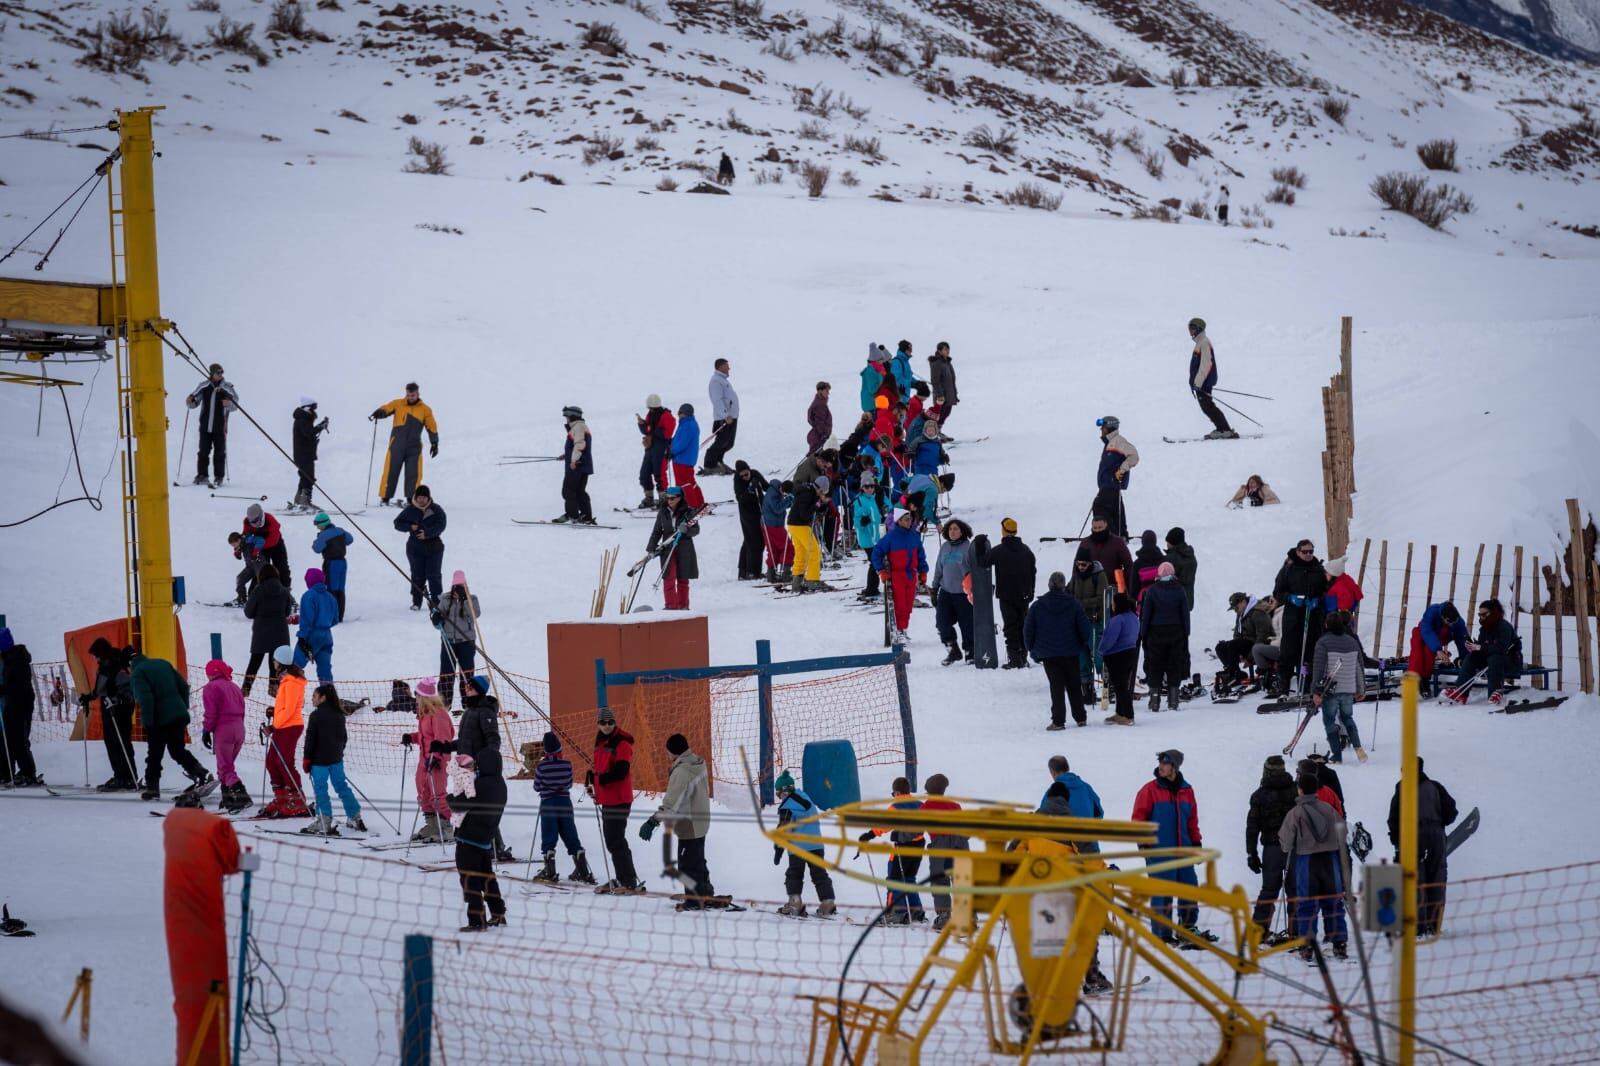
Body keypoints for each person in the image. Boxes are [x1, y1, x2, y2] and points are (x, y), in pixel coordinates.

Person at [434, 675, 507, 930]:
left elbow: (492, 741)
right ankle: (498, 911)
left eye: (470, 686)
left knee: (470, 854)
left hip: (475, 770)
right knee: (481, 858)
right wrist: (444, 747)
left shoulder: (485, 712)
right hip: (469, 767)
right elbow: (465, 743)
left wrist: (482, 766)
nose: (466, 687)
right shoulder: (469, 712)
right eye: (466, 685)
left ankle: (476, 918)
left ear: (479, 690)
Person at [1131, 750, 1208, 944]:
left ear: (1174, 766)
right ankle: (1162, 934)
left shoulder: (1187, 790)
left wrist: (1196, 842)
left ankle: (1187, 928)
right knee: (1162, 893)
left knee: (1189, 889)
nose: (1161, 767)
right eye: (1160, 763)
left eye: (1165, 763)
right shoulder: (1149, 790)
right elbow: (1138, 820)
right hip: (1159, 852)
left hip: (1184, 851)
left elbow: (1192, 821)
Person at [128, 649, 214, 803]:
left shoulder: (138, 673)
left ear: (129, 664)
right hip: (178, 715)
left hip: (159, 719)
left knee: (154, 754)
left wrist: (147, 723)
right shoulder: (163, 663)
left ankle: (152, 788)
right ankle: (202, 774)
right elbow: (184, 687)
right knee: (177, 750)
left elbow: (145, 699)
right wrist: (182, 706)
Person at [642, 733, 716, 909]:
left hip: (688, 823)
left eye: (668, 752)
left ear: (673, 752)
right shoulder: (698, 762)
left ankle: (693, 899)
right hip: (702, 820)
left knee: (687, 864)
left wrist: (653, 821)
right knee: (698, 859)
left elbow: (671, 804)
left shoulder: (682, 772)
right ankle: (705, 891)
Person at [1280, 771, 1348, 960]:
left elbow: (1285, 841)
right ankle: (1339, 943)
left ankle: (1307, 945)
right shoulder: (1328, 809)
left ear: (1300, 790)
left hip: (1307, 861)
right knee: (1333, 902)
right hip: (1329, 860)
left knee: (1307, 904)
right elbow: (1343, 832)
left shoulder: (1296, 813)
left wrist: (1290, 846)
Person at [1387, 757, 1458, 937]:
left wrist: (1397, 843)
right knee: (1437, 878)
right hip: (1435, 836)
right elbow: (1452, 811)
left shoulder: (1402, 787)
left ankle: (1418, 925)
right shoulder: (1435, 786)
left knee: (1414, 880)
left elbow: (1393, 818)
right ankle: (1435, 925)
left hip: (1412, 836)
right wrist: (1438, 824)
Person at [1023, 572, 1093, 730]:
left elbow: (1028, 630)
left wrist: (1032, 649)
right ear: (1064, 586)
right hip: (1071, 651)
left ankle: (1058, 721)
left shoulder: (1037, 606)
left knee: (1056, 686)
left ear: (1049, 585)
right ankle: (1080, 717)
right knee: (1074, 684)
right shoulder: (1074, 604)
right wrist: (1082, 643)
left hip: (1049, 654)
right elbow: (1084, 627)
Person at [586, 707, 643, 894]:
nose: (607, 726)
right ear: (598, 724)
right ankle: (624, 877)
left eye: (610, 722)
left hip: (619, 798)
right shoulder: (601, 740)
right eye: (603, 723)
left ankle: (628, 880)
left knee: (615, 839)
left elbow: (621, 771)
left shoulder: (622, 743)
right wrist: (591, 776)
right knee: (613, 839)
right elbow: (600, 766)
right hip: (607, 799)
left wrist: (601, 779)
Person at [300, 683, 365, 836]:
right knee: (341, 786)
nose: (312, 699)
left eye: (315, 696)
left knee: (320, 790)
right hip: (336, 760)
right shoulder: (339, 714)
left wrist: (307, 759)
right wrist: (337, 753)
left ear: (323, 698)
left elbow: (310, 740)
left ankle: (324, 820)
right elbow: (344, 738)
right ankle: (355, 816)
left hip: (319, 762)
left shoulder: (315, 716)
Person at [1245, 755, 1298, 939]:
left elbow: (1252, 827)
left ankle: (1258, 931)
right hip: (1295, 848)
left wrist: (1251, 853)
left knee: (1268, 890)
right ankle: (1296, 932)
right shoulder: (1296, 791)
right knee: (1295, 891)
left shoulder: (1260, 795)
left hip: (1272, 848)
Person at [860, 777, 926, 924]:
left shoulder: (896, 807)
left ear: (897, 792)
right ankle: (916, 911)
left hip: (902, 847)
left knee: (894, 879)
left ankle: (896, 912)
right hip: (918, 846)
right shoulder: (920, 805)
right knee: (909, 879)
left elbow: (884, 825)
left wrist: (869, 835)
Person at [532, 730, 595, 883]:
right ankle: (582, 870)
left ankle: (550, 871)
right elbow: (569, 784)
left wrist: (547, 787)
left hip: (548, 803)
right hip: (565, 803)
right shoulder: (567, 765)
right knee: (570, 832)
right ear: (559, 748)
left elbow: (537, 787)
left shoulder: (542, 767)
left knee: (549, 834)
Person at [774, 770, 837, 917]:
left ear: (784, 791)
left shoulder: (788, 806)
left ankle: (794, 902)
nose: (779, 797)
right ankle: (828, 902)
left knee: (794, 874)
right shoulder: (806, 798)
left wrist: (778, 849)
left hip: (798, 847)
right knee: (819, 874)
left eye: (778, 793)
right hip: (816, 845)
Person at [975, 518, 1036, 669]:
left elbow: (982, 562)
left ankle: (1014, 659)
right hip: (1024, 595)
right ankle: (1023, 656)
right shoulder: (1026, 550)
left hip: (1006, 596)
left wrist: (979, 544)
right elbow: (1033, 572)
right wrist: (1031, 591)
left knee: (1010, 627)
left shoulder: (999, 550)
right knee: (1023, 625)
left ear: (1003, 531)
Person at [401, 678, 454, 843]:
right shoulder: (425, 715)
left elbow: (443, 739)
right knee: (423, 793)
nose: (416, 698)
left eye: (417, 695)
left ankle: (450, 827)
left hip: (437, 760)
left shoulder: (439, 715)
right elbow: (426, 737)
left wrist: (437, 757)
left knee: (438, 795)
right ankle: (432, 825)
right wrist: (412, 737)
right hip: (424, 760)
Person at [261, 647, 311, 818]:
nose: (273, 663)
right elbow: (284, 707)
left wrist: (274, 726)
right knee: (272, 762)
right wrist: (274, 712)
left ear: (281, 662)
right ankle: (282, 797)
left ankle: (297, 800)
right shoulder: (286, 681)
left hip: (290, 726)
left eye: (275, 660)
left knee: (284, 762)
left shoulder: (292, 682)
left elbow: (289, 709)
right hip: (283, 725)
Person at [1311, 613, 1368, 763]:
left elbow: (1319, 669)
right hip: (1348, 689)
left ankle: (1337, 756)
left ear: (1326, 625)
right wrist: (1361, 689)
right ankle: (1358, 747)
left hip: (1331, 690)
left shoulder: (1323, 642)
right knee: (1347, 717)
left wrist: (1316, 692)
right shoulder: (1352, 642)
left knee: (1330, 721)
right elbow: (1359, 667)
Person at [1273, 540, 1329, 695]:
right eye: (1305, 552)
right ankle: (1283, 689)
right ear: (1298, 551)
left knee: (1309, 654)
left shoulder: (1318, 569)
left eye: (1311, 551)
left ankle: (1307, 688)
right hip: (1293, 617)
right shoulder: (1288, 569)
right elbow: (1277, 592)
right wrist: (1290, 598)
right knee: (1289, 652)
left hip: (1312, 616)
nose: (1308, 555)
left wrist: (1319, 599)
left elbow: (1326, 589)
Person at [371, 382, 439, 506]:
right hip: (397, 445)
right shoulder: (398, 404)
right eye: (408, 395)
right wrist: (380, 412)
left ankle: (410, 499)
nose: (410, 397)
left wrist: (434, 443)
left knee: (413, 473)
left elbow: (431, 426)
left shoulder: (425, 409)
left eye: (412, 395)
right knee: (390, 471)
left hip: (414, 447)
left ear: (418, 394)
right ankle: (385, 498)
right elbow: (387, 408)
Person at [84, 638, 138, 791]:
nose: (95, 659)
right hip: (110, 707)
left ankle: (127, 777)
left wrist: (115, 700)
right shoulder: (107, 664)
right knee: (112, 742)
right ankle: (120, 775)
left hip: (118, 709)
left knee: (120, 742)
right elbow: (102, 687)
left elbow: (125, 689)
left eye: (96, 655)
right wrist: (90, 696)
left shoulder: (113, 663)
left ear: (101, 653)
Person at [1448, 599, 1522, 704]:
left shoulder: (1504, 627)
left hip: (1510, 660)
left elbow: (1501, 648)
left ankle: (1495, 692)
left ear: (1493, 613)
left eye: (1484, 614)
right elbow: (1482, 647)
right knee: (1471, 657)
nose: (1481, 617)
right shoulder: (1485, 628)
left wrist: (1481, 647)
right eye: (1480, 615)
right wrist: (1474, 648)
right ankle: (1460, 693)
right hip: (1491, 661)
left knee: (1495, 657)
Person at [201, 659, 251, 814]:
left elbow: (211, 713)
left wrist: (206, 730)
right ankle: (228, 798)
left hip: (224, 729)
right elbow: (243, 710)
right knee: (226, 766)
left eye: (208, 673)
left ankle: (242, 796)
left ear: (212, 673)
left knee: (225, 767)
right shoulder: (235, 687)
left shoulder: (210, 688)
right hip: (239, 729)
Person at [1140, 561, 1191, 712]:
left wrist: (1143, 633)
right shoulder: (1179, 590)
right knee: (1174, 664)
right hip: (1176, 632)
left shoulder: (1152, 590)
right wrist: (1186, 632)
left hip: (1155, 632)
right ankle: (1173, 700)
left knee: (1155, 665)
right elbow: (1185, 613)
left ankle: (1154, 700)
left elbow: (1146, 614)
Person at [873, 509, 929, 645]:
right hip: (897, 574)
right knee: (900, 604)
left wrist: (923, 571)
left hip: (911, 574)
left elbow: (920, 555)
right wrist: (881, 570)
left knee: (909, 604)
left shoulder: (914, 536)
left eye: (910, 519)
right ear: (898, 521)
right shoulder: (891, 537)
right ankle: (898, 630)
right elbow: (876, 553)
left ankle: (903, 630)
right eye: (905, 519)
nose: (909, 521)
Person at [921, 773, 967, 931]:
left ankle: (944, 916)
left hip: (941, 848)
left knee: (940, 882)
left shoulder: (926, 807)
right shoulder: (955, 805)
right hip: (960, 846)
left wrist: (900, 835)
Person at [241, 564, 292, 697]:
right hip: (280, 631)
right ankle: (274, 689)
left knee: (255, 661)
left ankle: (246, 689)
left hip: (261, 631)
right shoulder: (284, 591)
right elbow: (287, 612)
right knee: (276, 662)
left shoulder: (258, 590)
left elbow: (248, 612)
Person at [647, 486, 701, 609]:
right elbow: (657, 531)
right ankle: (671, 606)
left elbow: (696, 530)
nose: (669, 501)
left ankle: (683, 606)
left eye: (672, 498)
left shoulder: (689, 512)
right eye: (667, 498)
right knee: (668, 577)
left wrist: (686, 530)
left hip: (684, 548)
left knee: (683, 578)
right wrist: (651, 548)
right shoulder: (663, 512)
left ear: (680, 498)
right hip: (667, 548)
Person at [394, 485, 446, 611]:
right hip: (415, 549)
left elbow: (441, 525)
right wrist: (409, 527)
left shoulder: (436, 509)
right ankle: (416, 602)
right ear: (415, 498)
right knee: (417, 576)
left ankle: (437, 603)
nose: (421, 500)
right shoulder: (410, 510)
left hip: (434, 549)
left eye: (424, 497)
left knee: (434, 576)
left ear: (428, 498)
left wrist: (427, 534)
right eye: (419, 497)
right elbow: (397, 523)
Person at [432, 573, 480, 708]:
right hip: (448, 641)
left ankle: (468, 703)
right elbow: (438, 623)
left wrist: (464, 600)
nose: (457, 590)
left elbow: (474, 615)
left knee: (467, 673)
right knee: (446, 673)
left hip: (466, 641)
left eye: (460, 587)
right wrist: (435, 619)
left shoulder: (472, 600)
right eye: (455, 587)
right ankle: (444, 703)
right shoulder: (445, 599)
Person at [0, 627, 40, 787]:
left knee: (19, 739)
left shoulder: (18, 659)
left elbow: (20, 685)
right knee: (7, 739)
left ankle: (28, 772)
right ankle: (6, 772)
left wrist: (3, 689)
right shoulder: (8, 659)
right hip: (11, 702)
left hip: (21, 703)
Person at [932, 518, 976, 665]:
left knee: (967, 625)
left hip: (964, 594)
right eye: (950, 529)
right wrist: (934, 588)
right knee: (941, 622)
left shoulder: (968, 548)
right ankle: (953, 649)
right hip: (946, 591)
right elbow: (939, 568)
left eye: (956, 529)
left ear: (962, 531)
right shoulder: (944, 547)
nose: (952, 532)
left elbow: (975, 571)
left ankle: (971, 652)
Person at [186, 362, 236, 486]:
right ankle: (202, 475)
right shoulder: (204, 386)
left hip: (220, 426)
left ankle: (219, 477)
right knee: (203, 451)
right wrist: (190, 401)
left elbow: (235, 404)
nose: (221, 374)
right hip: (205, 426)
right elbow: (194, 402)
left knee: (220, 452)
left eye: (222, 372)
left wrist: (229, 404)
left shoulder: (227, 387)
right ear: (212, 373)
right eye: (218, 372)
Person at [1187, 318, 1237, 439]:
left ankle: (1225, 430)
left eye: (1192, 328)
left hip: (1204, 382)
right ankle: (1222, 429)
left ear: (1199, 328)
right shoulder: (1200, 342)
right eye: (1189, 329)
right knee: (1207, 406)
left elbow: (1206, 364)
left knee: (1208, 406)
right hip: (1202, 382)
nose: (1190, 331)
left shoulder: (1204, 342)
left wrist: (1198, 382)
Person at [1042, 755, 1105, 850]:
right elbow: (1099, 813)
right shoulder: (1086, 788)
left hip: (1064, 850)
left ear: (1052, 772)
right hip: (1089, 847)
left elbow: (1042, 819)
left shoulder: (1052, 792)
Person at [1068, 547, 1108, 696]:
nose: (1081, 567)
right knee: (1082, 659)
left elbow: (1101, 597)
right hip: (1078, 623)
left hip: (1094, 621)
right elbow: (1069, 591)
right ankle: (1087, 690)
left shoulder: (1099, 575)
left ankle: (1108, 685)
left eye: (1084, 565)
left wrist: (1081, 603)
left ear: (1090, 563)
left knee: (1099, 658)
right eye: (1078, 564)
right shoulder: (1076, 575)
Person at [1407, 601, 1468, 695]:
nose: (1451, 624)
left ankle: (1425, 680)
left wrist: (1465, 658)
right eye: (1448, 622)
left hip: (1439, 636)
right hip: (1422, 632)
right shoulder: (1432, 611)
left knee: (1428, 651)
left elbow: (1461, 640)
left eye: (1453, 622)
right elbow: (1427, 631)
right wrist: (1438, 649)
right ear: (1443, 617)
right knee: (1417, 653)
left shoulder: (1458, 622)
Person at [1094, 416, 1139, 538]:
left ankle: (1108, 536)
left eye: (1102, 427)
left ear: (1109, 427)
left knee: (1099, 507)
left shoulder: (1118, 441)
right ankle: (1120, 534)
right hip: (1108, 486)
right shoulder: (1110, 443)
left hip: (1111, 484)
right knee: (1115, 509)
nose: (1101, 430)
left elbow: (1134, 456)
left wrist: (1122, 469)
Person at [1100, 593, 1140, 725]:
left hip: (1117, 655)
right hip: (1130, 652)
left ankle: (1128, 715)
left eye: (1113, 602)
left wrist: (1101, 650)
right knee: (1122, 685)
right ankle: (1120, 712)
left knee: (1121, 687)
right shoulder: (1133, 617)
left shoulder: (1118, 620)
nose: (1112, 605)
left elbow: (1109, 639)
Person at [294, 567, 339, 683]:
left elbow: (307, 620)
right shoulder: (331, 598)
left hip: (311, 636)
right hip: (327, 636)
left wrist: (302, 637)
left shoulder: (309, 596)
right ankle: (328, 695)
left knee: (295, 667)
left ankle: (292, 693)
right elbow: (335, 619)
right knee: (325, 671)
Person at [307, 513, 355, 622]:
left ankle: (332, 616)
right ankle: (340, 616)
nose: (317, 527)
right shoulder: (340, 531)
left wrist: (318, 538)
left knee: (331, 589)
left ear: (323, 524)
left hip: (331, 563)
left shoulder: (324, 535)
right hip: (343, 562)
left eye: (317, 524)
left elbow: (316, 548)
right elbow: (350, 539)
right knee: (340, 589)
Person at [785, 475, 827, 593]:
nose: (822, 494)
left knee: (802, 552)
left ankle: (797, 581)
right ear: (819, 488)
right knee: (814, 551)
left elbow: (807, 510)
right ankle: (812, 580)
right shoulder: (807, 494)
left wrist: (818, 507)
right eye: (822, 491)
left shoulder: (808, 492)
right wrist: (816, 506)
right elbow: (804, 514)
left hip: (794, 524)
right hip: (800, 525)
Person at [556, 405, 595, 524]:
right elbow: (578, 445)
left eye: (567, 417)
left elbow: (580, 444)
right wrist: (567, 455)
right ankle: (585, 516)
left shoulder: (577, 427)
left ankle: (573, 515)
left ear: (572, 417)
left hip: (577, 466)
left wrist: (573, 460)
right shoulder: (580, 427)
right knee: (579, 491)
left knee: (568, 491)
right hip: (583, 465)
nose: (566, 420)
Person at [636, 394, 675, 509]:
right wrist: (642, 424)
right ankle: (649, 498)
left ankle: (663, 499)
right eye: (649, 408)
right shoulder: (651, 415)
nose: (650, 410)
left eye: (651, 408)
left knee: (660, 473)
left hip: (661, 447)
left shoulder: (667, 416)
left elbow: (667, 433)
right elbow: (647, 430)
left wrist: (652, 431)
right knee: (644, 474)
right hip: (651, 448)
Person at [732, 461, 769, 581]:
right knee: (756, 541)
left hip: (759, 510)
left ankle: (744, 571)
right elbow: (740, 498)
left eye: (746, 474)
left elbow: (766, 486)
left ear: (749, 469)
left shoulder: (755, 474)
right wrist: (749, 489)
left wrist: (777, 487)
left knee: (749, 540)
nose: (744, 477)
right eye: (742, 475)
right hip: (748, 514)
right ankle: (753, 572)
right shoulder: (737, 480)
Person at [290, 397, 328, 509]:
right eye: (313, 408)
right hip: (304, 455)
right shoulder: (303, 419)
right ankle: (304, 501)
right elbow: (308, 433)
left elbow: (308, 435)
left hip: (304, 454)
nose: (315, 411)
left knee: (304, 476)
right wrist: (321, 426)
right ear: (308, 408)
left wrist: (320, 426)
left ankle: (299, 500)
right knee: (308, 476)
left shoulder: (303, 418)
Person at [852, 469, 885, 599]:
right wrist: (862, 522)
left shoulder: (874, 499)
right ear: (862, 488)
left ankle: (873, 588)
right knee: (874, 561)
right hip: (867, 538)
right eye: (866, 487)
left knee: (876, 561)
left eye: (871, 486)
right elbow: (856, 520)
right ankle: (871, 588)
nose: (870, 489)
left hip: (876, 536)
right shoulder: (859, 501)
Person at [243, 503, 291, 593]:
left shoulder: (270, 520)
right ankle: (254, 594)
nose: (254, 524)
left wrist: (258, 545)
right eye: (251, 522)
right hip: (260, 546)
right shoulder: (247, 522)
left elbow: (273, 540)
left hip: (276, 545)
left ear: (261, 516)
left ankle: (286, 594)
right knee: (260, 569)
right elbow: (246, 536)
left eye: (255, 521)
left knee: (282, 567)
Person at [701, 359, 739, 475]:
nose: (729, 368)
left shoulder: (723, 380)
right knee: (721, 441)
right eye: (726, 366)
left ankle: (718, 462)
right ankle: (710, 464)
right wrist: (725, 415)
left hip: (731, 417)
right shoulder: (716, 381)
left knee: (729, 443)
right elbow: (717, 400)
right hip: (724, 418)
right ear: (720, 367)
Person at [1084, 514, 1133, 596]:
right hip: (1090, 589)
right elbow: (1077, 566)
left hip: (1113, 588)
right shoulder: (1085, 543)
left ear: (1106, 526)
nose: (1097, 531)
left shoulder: (1118, 543)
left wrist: (1129, 588)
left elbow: (1129, 566)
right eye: (1095, 528)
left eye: (1100, 528)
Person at [668, 403, 705, 510]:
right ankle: (699, 503)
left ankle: (691, 505)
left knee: (683, 484)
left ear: (685, 414)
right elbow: (680, 439)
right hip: (687, 459)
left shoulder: (687, 425)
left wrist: (672, 451)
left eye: (681, 413)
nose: (679, 415)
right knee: (690, 482)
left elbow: (683, 442)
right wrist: (672, 442)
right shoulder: (689, 423)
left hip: (682, 459)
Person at [1215, 593, 1257, 684]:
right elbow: (1237, 634)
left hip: (1256, 646)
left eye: (1236, 608)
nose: (1235, 611)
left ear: (1243, 602)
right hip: (1243, 645)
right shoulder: (1240, 615)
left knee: (1233, 645)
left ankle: (1233, 674)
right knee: (1220, 647)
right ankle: (1235, 672)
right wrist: (1237, 650)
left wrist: (1249, 657)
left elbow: (1263, 637)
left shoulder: (1257, 613)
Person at [761, 478, 795, 583]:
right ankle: (786, 573)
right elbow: (777, 508)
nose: (784, 495)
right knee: (788, 548)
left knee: (773, 549)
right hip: (774, 526)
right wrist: (788, 500)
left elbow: (782, 505)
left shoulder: (775, 490)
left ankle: (771, 574)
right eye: (784, 493)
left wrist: (789, 501)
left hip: (768, 524)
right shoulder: (772, 494)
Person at [1251, 596, 1285, 694]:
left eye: (1272, 601)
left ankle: (1269, 674)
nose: (1270, 604)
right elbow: (1278, 635)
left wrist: (1270, 642)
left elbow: (1284, 638)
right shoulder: (1274, 613)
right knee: (1259, 646)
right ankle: (1266, 675)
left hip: (1283, 648)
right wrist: (1271, 640)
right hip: (1278, 645)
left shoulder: (1282, 613)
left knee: (1257, 649)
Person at [227, 530, 266, 606]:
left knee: (261, 583)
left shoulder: (248, 539)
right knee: (240, 578)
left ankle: (262, 602)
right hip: (250, 567)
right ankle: (241, 599)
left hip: (260, 566)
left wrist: (256, 551)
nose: (234, 547)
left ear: (238, 540)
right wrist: (237, 553)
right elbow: (240, 555)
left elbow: (261, 540)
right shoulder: (241, 545)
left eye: (234, 544)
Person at [1130, 529, 1166, 605]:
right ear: (1155, 541)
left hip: (1144, 601)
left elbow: (1133, 588)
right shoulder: (1163, 561)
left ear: (1143, 542)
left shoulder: (1137, 563)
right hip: (1162, 600)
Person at [1165, 528, 1197, 610]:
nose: (1167, 544)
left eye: (1168, 542)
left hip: (1174, 602)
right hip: (1187, 602)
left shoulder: (1171, 559)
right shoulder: (1190, 556)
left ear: (1173, 543)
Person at [1323, 557, 1363, 624]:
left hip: (1337, 622)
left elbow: (1342, 607)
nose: (1325, 575)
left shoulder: (1339, 587)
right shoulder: (1345, 579)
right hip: (1341, 618)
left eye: (1327, 573)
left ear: (1333, 574)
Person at [927, 341, 958, 427]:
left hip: (949, 394)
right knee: (939, 414)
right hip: (941, 395)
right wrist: (940, 394)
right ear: (939, 351)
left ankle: (938, 430)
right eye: (945, 349)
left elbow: (951, 380)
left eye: (948, 349)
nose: (947, 351)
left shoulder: (947, 363)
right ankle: (933, 431)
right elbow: (935, 380)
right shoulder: (937, 363)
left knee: (946, 413)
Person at [859, 343, 892, 414]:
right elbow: (872, 389)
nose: (882, 361)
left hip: (876, 404)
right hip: (871, 405)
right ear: (875, 360)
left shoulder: (878, 370)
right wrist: (883, 380)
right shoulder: (870, 372)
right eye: (881, 359)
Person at [806, 381, 833, 454]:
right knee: (816, 457)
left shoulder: (819, 402)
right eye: (826, 391)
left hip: (818, 436)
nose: (828, 393)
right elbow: (819, 422)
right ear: (820, 391)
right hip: (819, 438)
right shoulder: (820, 405)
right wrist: (824, 434)